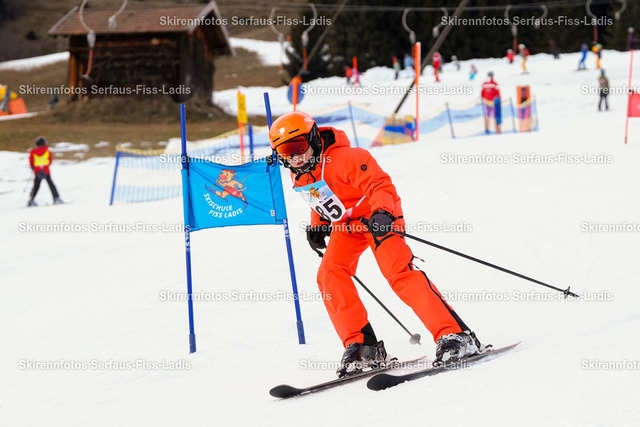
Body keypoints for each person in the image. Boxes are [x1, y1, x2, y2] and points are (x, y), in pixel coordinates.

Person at [268, 111, 483, 378]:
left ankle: (455, 335)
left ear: (312, 138)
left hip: (378, 219)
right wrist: (318, 225)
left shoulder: (349, 158)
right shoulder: (300, 174)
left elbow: (380, 184)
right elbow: (319, 199)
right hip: (347, 228)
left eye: (299, 146)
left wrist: (383, 212)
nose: (295, 157)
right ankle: (362, 347)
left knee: (398, 273)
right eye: (285, 152)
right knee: (329, 274)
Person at [28, 136, 63, 206]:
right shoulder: (47, 150)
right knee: (51, 184)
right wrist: (46, 166)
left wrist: (33, 167)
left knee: (36, 186)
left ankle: (31, 200)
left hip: (37, 170)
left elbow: (31, 160)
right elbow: (50, 160)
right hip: (46, 170)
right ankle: (56, 198)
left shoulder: (33, 151)